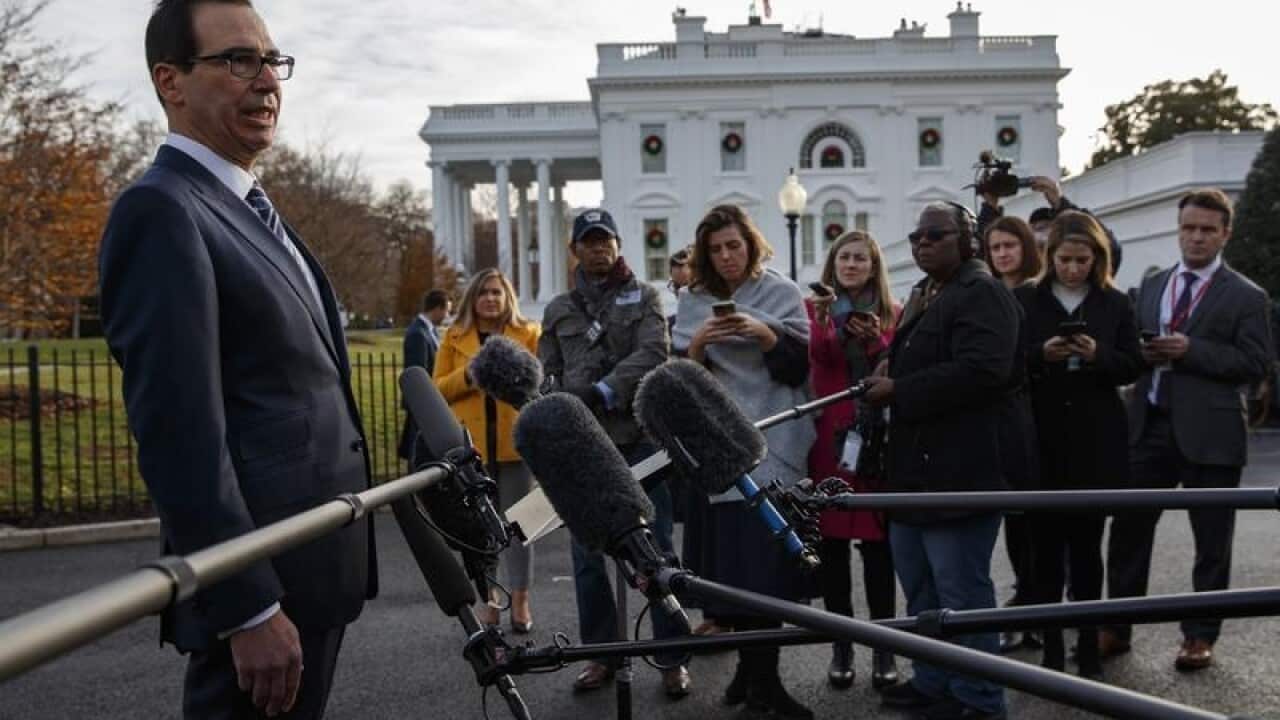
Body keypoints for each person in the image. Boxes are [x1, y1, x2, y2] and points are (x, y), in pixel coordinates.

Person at [97, 2, 375, 717]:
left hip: (313, 573)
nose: (267, 81)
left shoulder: (252, 206)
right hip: (263, 596)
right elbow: (179, 431)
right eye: (237, 61)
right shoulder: (160, 211)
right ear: (172, 81)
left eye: (273, 61)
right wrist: (246, 605)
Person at [1102, 189, 1272, 671]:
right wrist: (1146, 351)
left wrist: (1190, 350)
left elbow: (1256, 362)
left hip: (1211, 436)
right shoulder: (1153, 284)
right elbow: (1132, 345)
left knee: (1211, 543)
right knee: (1128, 534)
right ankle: (1116, 627)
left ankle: (1200, 637)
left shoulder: (1246, 295)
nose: (1196, 237)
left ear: (1224, 234)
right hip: (1148, 425)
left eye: (1206, 230)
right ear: (1179, 230)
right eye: (1188, 228)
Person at [865, 202, 1018, 720]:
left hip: (960, 470)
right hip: (912, 471)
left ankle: (979, 698)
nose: (922, 243)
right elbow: (933, 359)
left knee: (962, 592)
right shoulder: (927, 293)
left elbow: (984, 371)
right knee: (922, 588)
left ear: (967, 240)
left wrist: (899, 388)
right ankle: (935, 682)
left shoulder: (982, 292)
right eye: (916, 235)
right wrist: (892, 360)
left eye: (935, 234)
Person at [539, 208, 691, 699]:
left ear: (618, 245)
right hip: (583, 449)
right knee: (587, 558)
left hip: (640, 439)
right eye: (589, 241)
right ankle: (600, 656)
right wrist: (560, 402)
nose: (599, 248)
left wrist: (601, 391)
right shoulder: (559, 308)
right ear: (576, 250)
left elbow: (653, 353)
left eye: (606, 240)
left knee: (658, 550)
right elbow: (548, 370)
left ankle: (671, 657)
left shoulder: (647, 296)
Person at [673, 204, 816, 720]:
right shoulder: (692, 300)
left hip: (772, 441)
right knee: (735, 572)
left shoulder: (781, 292)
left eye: (735, 245)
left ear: (751, 244)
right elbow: (678, 382)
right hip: (719, 448)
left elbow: (803, 366)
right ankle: (751, 677)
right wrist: (696, 345)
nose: (727, 256)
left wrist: (767, 335)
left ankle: (764, 683)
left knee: (765, 573)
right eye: (717, 249)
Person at [1017, 211, 1142, 679]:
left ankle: (1087, 650)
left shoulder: (1115, 303)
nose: (1073, 269)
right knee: (1044, 555)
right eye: (1065, 259)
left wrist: (1098, 356)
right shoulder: (1027, 299)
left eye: (1083, 260)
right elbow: (1008, 359)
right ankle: (1050, 650)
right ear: (1051, 257)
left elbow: (1132, 364)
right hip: (1042, 438)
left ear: (1098, 259)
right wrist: (1040, 355)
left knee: (1088, 553)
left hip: (1094, 439)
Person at [805, 230, 900, 691]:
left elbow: (894, 369)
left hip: (873, 441)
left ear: (874, 265)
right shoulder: (814, 310)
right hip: (829, 439)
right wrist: (827, 319)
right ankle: (842, 645)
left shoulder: (893, 313)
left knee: (879, 549)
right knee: (833, 549)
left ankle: (885, 646)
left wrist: (876, 339)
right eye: (844, 257)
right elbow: (819, 358)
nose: (852, 264)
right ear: (833, 263)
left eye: (861, 258)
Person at [433, 269, 540, 633]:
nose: (491, 299)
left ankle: (521, 600)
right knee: (481, 531)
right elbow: (438, 390)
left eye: (497, 292)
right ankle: (491, 600)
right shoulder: (454, 337)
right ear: (472, 299)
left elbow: (541, 381)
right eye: (483, 293)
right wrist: (469, 376)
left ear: (507, 296)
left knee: (519, 528)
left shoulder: (529, 333)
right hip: (472, 449)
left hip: (516, 446)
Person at [981, 215, 1044, 654]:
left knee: (1034, 522)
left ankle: (1037, 608)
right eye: (996, 246)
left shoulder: (1037, 294)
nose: (1003, 253)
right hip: (1003, 421)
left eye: (1010, 245)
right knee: (1014, 522)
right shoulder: (989, 293)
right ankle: (1025, 602)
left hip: (1038, 418)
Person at [979, 175, 1123, 274]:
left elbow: (1110, 250)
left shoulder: (1075, 271)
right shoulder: (1021, 281)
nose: (1040, 236)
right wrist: (990, 207)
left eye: (1044, 228)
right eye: (1034, 230)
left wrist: (1061, 204)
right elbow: (985, 256)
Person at [398, 289, 452, 462]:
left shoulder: (430, 331)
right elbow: (418, 373)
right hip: (421, 405)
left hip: (429, 402)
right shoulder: (418, 334)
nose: (447, 315)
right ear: (437, 308)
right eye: (447, 310)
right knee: (419, 453)